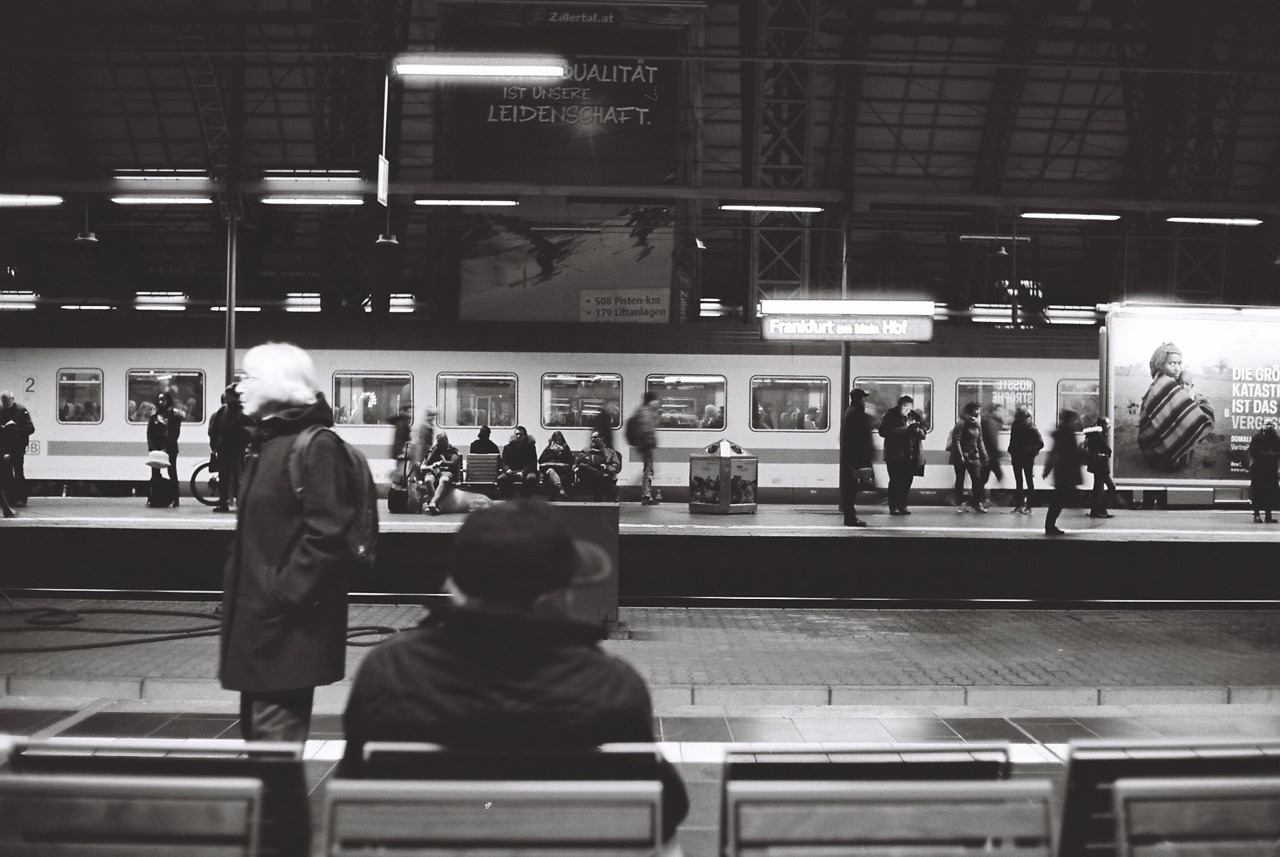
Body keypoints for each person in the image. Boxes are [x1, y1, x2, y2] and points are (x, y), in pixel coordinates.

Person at [338, 499, 689, 842]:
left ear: (455, 586)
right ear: (556, 597)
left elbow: (352, 797)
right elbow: (668, 809)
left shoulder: (390, 671)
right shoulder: (612, 684)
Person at [219, 342, 355, 741]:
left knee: (273, 754)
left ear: (278, 385)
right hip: (262, 623)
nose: (238, 386)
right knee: (261, 745)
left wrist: (283, 591)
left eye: (249, 378)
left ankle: (279, 806)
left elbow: (328, 533)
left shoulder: (314, 447)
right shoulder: (266, 443)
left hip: (286, 628)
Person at [1138, 342, 1214, 471]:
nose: (1177, 368)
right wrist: (1203, 404)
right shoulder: (1166, 385)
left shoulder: (1158, 383)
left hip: (1151, 454)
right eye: (1172, 363)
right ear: (1160, 365)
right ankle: (1177, 456)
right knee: (1201, 418)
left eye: (1179, 363)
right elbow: (1195, 420)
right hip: (1164, 459)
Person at [209, 384, 251, 513]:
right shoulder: (235, 411)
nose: (226, 398)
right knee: (227, 478)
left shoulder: (236, 412)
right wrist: (215, 444)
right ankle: (226, 503)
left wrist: (215, 444)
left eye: (228, 395)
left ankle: (233, 503)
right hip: (228, 449)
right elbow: (215, 429)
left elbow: (215, 430)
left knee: (235, 478)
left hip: (234, 449)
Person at [1043, 409, 1083, 536]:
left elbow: (1054, 452)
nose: (1077, 421)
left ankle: (1050, 525)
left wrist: (1047, 469)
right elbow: (1067, 452)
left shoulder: (1062, 432)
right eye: (1075, 419)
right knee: (1059, 499)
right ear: (1070, 420)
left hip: (1061, 471)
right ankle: (1050, 526)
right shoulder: (1067, 432)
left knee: (1059, 498)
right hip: (1066, 471)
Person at [879, 396, 921, 516]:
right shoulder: (890, 416)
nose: (906, 409)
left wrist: (918, 431)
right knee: (895, 480)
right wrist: (900, 430)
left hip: (911, 453)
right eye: (904, 406)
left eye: (908, 406)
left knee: (907, 480)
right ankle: (893, 506)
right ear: (899, 406)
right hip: (894, 453)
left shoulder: (914, 416)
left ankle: (903, 505)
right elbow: (882, 432)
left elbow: (922, 430)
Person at [839, 388, 874, 527]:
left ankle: (850, 517)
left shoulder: (850, 412)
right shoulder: (856, 413)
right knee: (851, 490)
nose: (865, 401)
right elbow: (859, 437)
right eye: (864, 398)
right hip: (854, 458)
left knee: (851, 489)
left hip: (851, 457)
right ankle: (850, 518)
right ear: (859, 399)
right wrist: (861, 458)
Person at [947, 402, 988, 512]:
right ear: (970, 410)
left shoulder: (977, 424)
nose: (978, 412)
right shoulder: (961, 423)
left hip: (973, 455)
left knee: (977, 480)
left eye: (979, 409)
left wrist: (984, 455)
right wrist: (960, 455)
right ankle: (961, 503)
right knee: (960, 479)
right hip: (961, 456)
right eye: (976, 409)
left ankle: (977, 503)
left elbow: (980, 441)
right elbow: (956, 441)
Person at [146, 391, 182, 508]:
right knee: (155, 473)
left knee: (172, 472)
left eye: (163, 399)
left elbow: (175, 434)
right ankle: (154, 497)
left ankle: (175, 498)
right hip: (156, 449)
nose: (161, 402)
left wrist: (166, 448)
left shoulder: (174, 416)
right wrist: (152, 447)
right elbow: (149, 433)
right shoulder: (154, 416)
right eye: (159, 400)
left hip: (170, 449)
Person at [0, 391, 35, 507]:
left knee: (18, 472)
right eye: (3, 401)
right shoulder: (1, 411)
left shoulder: (21, 411)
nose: (4, 403)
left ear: (12, 399)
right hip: (4, 446)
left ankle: (21, 499)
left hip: (17, 446)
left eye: (6, 401)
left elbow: (31, 428)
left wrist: (17, 430)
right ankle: (10, 499)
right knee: (6, 474)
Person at [1008, 405, 1044, 515]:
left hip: (1025, 457)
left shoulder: (1030, 426)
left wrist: (1028, 451)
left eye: (1018, 414)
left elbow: (1040, 443)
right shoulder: (1020, 424)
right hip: (1020, 456)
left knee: (1024, 481)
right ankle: (1023, 506)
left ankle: (1026, 506)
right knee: (1024, 481)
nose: (1016, 415)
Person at [630, 392, 662, 505]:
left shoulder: (645, 412)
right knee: (648, 470)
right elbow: (647, 430)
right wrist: (650, 443)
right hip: (645, 445)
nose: (658, 402)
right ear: (650, 401)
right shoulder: (646, 413)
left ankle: (644, 493)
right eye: (655, 400)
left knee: (648, 469)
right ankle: (645, 496)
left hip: (643, 445)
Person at [1083, 416, 1117, 518]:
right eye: (1107, 424)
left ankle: (1097, 510)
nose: (1109, 427)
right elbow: (1106, 449)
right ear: (1102, 425)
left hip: (1098, 466)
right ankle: (1100, 510)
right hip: (1100, 466)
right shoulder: (1097, 435)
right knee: (1110, 487)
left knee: (1098, 489)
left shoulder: (1095, 434)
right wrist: (1108, 452)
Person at [421, 431, 463, 515]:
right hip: (433, 472)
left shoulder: (452, 451)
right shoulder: (433, 451)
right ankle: (434, 505)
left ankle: (433, 502)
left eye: (443, 441)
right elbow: (428, 462)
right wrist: (434, 452)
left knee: (444, 480)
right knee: (428, 480)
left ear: (447, 441)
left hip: (446, 472)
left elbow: (453, 462)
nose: (441, 444)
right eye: (439, 442)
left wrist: (441, 463)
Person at [574, 431, 622, 500]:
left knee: (600, 483)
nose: (592, 439)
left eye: (595, 437)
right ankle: (601, 476)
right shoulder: (586, 451)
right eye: (592, 437)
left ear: (602, 438)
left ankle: (601, 479)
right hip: (589, 478)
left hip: (602, 476)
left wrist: (606, 467)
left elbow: (616, 466)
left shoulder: (610, 452)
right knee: (582, 466)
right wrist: (576, 468)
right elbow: (576, 462)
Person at [1248, 420, 1280, 524]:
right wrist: (1270, 455)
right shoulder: (1256, 437)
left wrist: (1264, 455)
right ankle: (1257, 515)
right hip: (1259, 470)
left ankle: (1268, 515)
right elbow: (1253, 451)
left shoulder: (1276, 439)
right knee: (1257, 492)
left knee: (1270, 492)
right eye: (1267, 424)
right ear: (1262, 426)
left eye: (1271, 424)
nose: (1269, 426)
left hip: (1269, 470)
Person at [497, 425, 539, 498]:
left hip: (526, 471)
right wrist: (508, 470)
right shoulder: (508, 447)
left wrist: (523, 472)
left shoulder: (530, 447)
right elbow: (504, 462)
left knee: (531, 477)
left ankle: (525, 496)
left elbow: (533, 463)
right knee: (501, 478)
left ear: (525, 436)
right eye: (517, 434)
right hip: (511, 471)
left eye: (521, 434)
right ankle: (509, 496)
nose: (518, 436)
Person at [979, 404, 1007, 508]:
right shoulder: (990, 423)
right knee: (993, 477)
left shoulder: (992, 422)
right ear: (994, 411)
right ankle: (983, 499)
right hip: (990, 456)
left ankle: (983, 499)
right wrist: (998, 453)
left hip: (989, 456)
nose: (1002, 413)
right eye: (1000, 411)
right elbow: (992, 441)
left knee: (984, 479)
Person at [539, 430, 574, 500]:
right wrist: (552, 452)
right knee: (551, 471)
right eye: (556, 440)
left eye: (559, 440)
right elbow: (541, 460)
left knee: (554, 474)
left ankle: (553, 496)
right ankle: (561, 490)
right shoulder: (549, 449)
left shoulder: (565, 448)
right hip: (549, 470)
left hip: (562, 471)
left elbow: (570, 461)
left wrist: (562, 451)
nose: (558, 442)